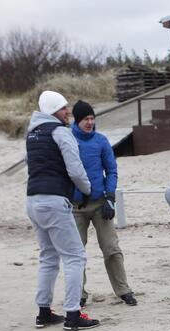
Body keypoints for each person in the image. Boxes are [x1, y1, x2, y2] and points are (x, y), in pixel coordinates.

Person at [25, 90, 100, 331]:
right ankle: (72, 315)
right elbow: (75, 170)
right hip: (55, 201)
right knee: (75, 257)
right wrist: (86, 189)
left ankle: (44, 312)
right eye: (62, 108)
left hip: (33, 200)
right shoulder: (60, 132)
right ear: (52, 111)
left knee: (48, 257)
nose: (67, 112)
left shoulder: (31, 134)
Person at [70, 100, 137, 307]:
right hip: (75, 207)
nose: (90, 122)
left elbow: (112, 171)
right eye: (85, 119)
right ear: (77, 120)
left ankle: (123, 290)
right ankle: (78, 294)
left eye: (92, 118)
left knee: (112, 248)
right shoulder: (67, 140)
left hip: (101, 205)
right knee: (75, 253)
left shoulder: (101, 141)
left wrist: (110, 197)